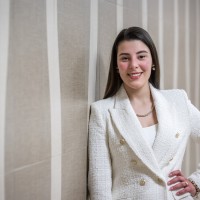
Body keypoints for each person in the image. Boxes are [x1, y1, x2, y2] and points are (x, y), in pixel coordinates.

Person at [88, 27, 200, 200]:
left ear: (153, 61)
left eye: (141, 56)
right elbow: (99, 185)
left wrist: (196, 183)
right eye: (125, 58)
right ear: (117, 66)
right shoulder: (102, 112)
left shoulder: (178, 101)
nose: (134, 65)